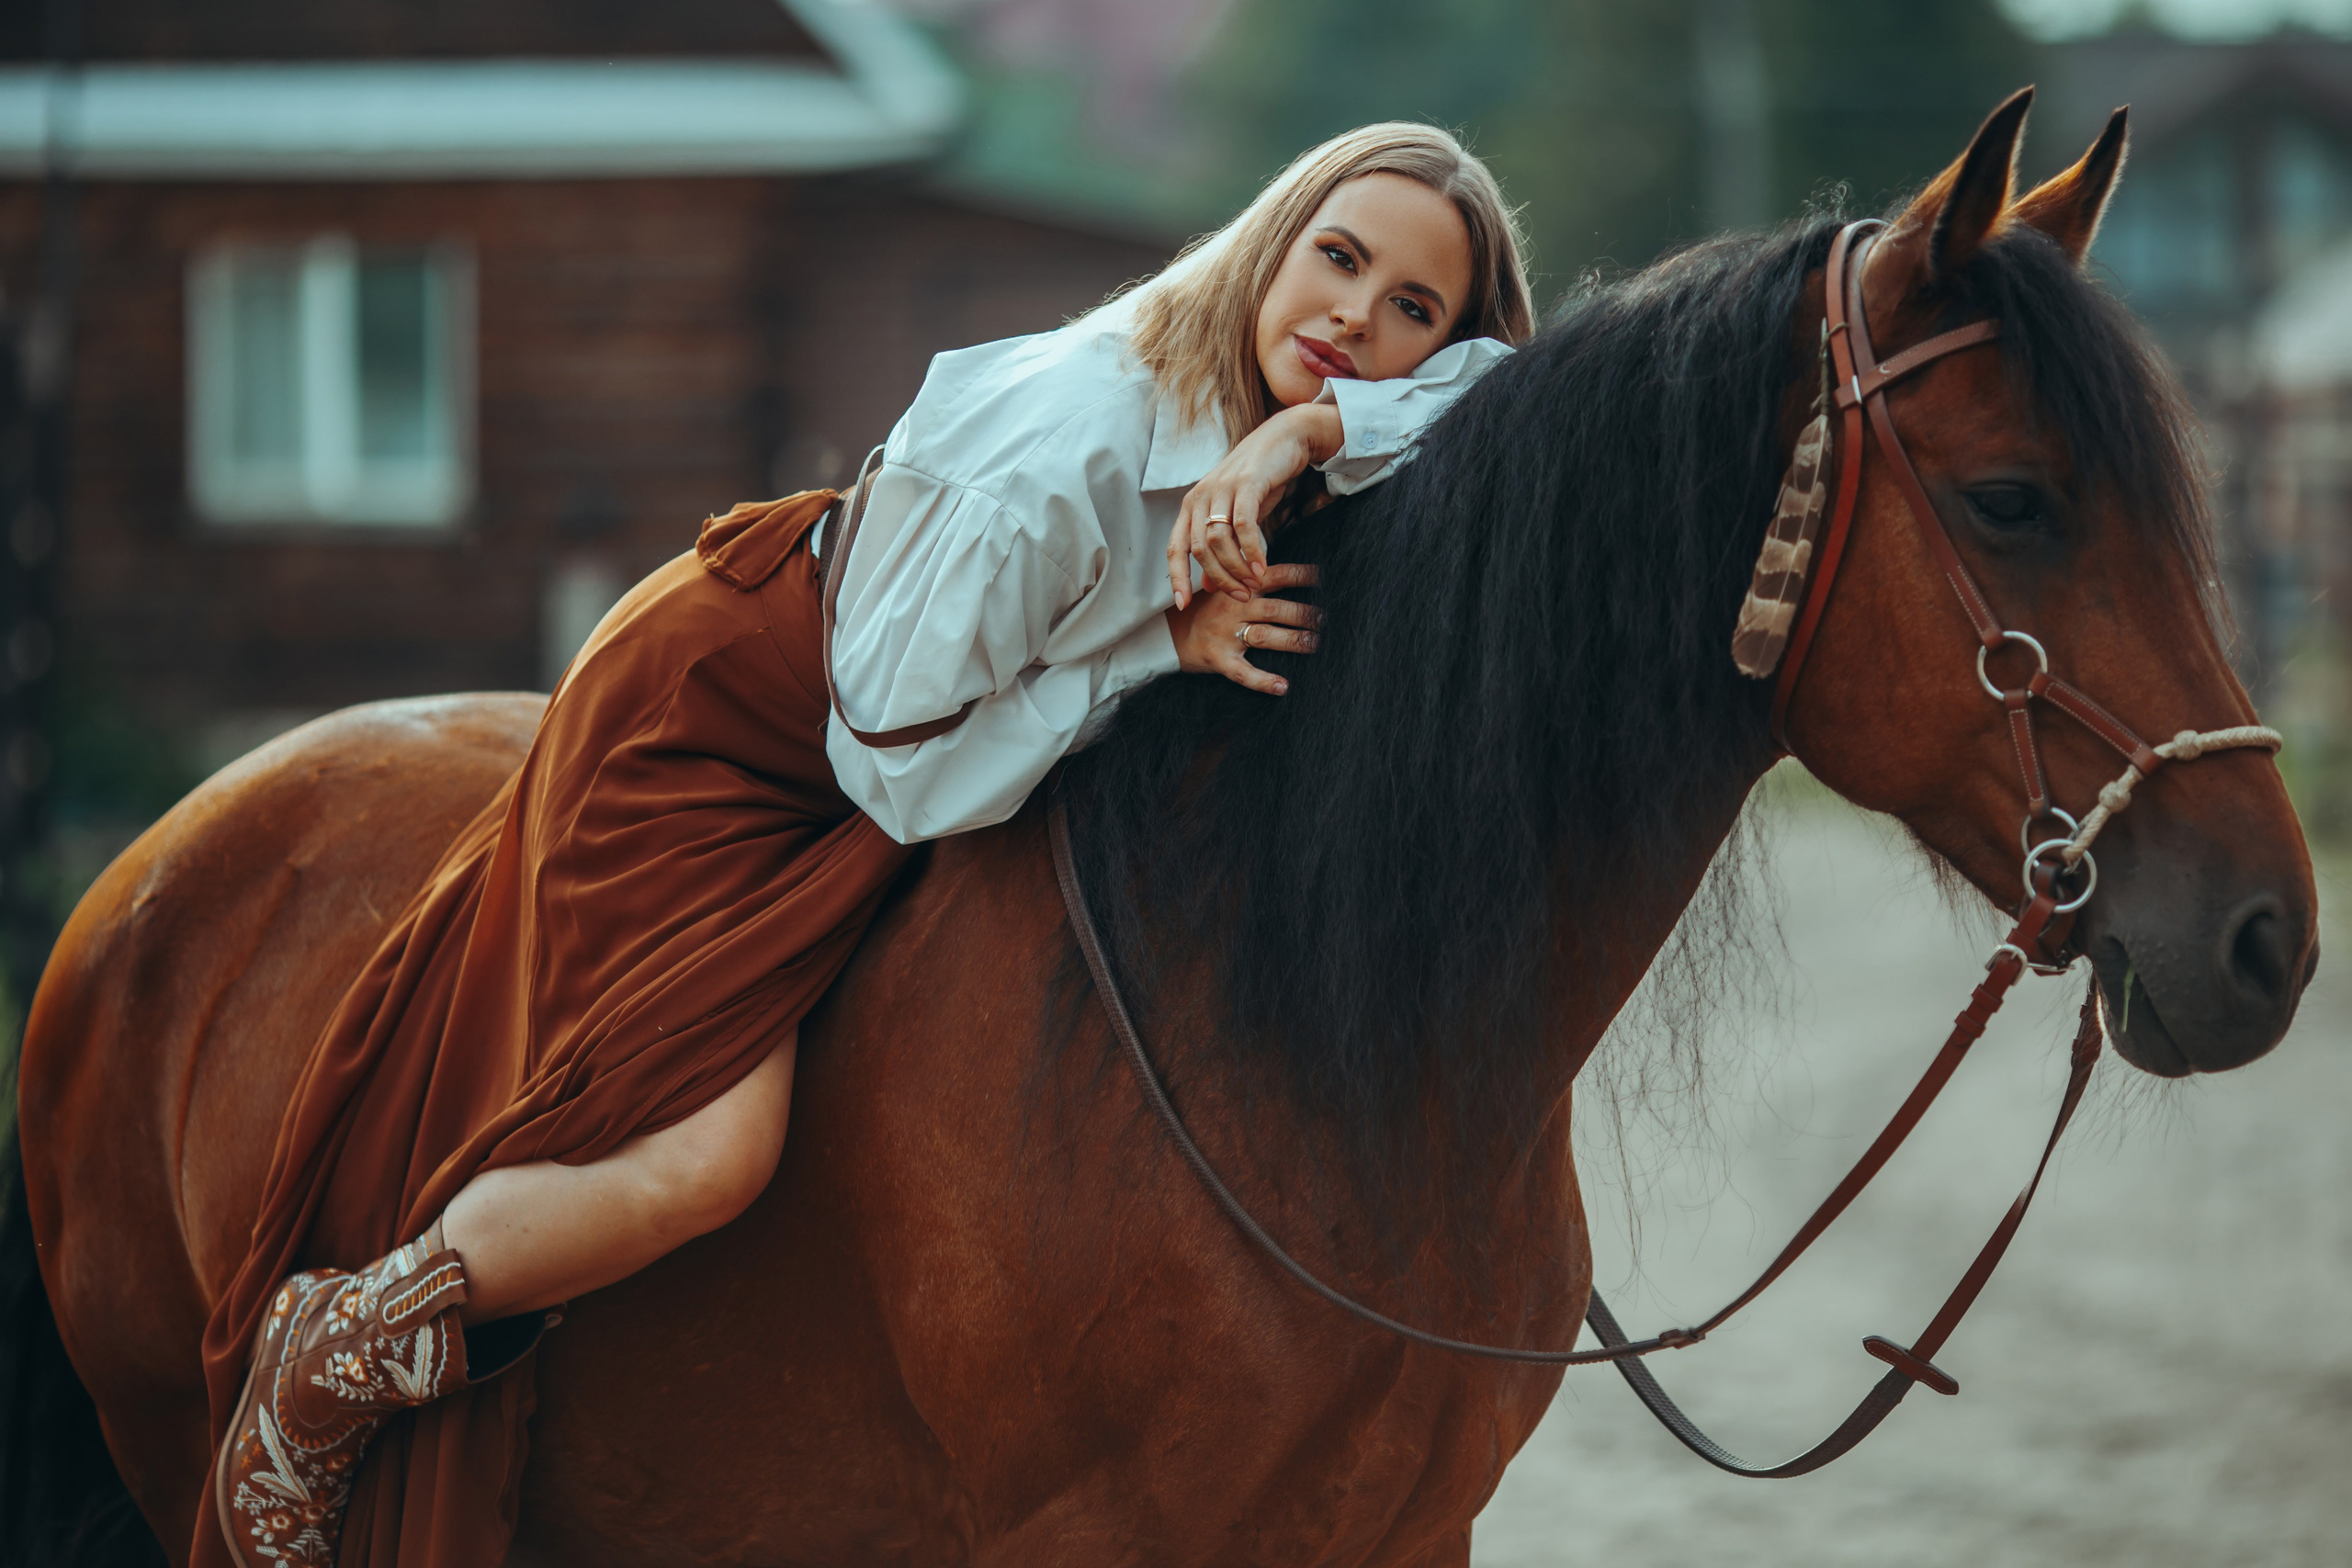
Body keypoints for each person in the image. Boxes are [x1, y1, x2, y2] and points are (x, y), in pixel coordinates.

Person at [203, 121, 1532, 1568]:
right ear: (1271, 244)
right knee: (707, 1157)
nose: (1359, 317)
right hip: (737, 732)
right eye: (1337, 260)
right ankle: (339, 1338)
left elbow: (1512, 398)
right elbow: (899, 766)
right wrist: (1158, 641)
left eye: (1414, 306)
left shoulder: (1306, 394)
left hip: (921, 723)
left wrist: (1311, 431)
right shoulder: (1074, 441)